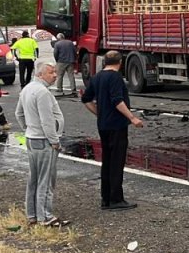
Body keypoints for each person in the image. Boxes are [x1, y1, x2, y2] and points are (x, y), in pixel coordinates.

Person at [82, 51, 145, 210]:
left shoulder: (96, 77)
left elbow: (86, 99)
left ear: (104, 61)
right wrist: (132, 118)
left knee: (107, 161)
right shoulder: (115, 77)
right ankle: (116, 199)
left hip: (103, 124)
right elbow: (118, 101)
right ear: (120, 62)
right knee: (117, 162)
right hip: (117, 125)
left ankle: (106, 198)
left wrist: (99, 113)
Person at [15, 62, 68, 227]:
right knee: (46, 180)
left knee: (34, 179)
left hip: (32, 139)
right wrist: (54, 141)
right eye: (51, 72)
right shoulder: (42, 92)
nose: (55, 75)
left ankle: (32, 214)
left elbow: (19, 113)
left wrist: (28, 128)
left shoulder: (27, 89)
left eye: (55, 72)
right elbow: (47, 120)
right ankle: (44, 216)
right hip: (43, 141)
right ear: (40, 74)